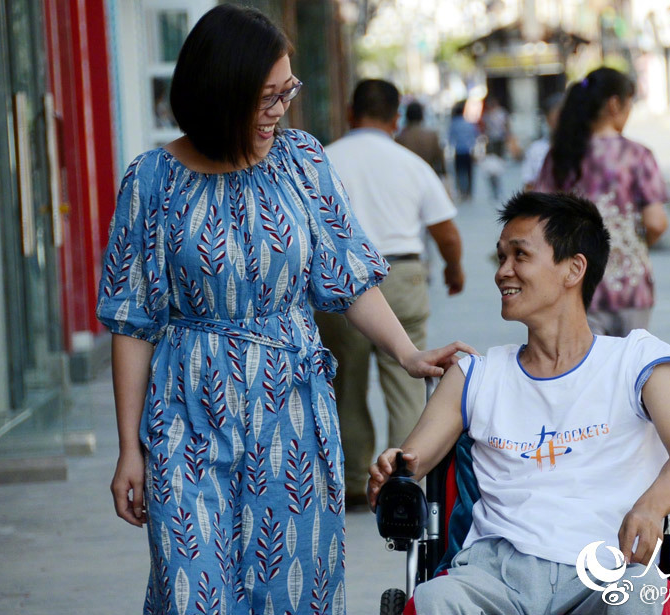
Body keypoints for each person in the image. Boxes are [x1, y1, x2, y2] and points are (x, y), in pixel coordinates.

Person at [95, 7, 472, 615]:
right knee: (195, 591)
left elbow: (346, 276)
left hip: (290, 413)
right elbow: (132, 321)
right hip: (187, 414)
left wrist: (407, 352)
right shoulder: (151, 180)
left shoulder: (302, 161)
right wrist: (128, 448)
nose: (279, 110)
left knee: (291, 589)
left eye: (286, 91)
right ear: (220, 94)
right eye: (265, 97)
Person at [367, 191, 670, 615]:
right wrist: (390, 475)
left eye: (520, 255)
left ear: (573, 269)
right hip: (494, 577)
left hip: (608, 570)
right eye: (500, 257)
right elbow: (410, 463)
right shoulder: (475, 375)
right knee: (435, 600)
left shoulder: (638, 361)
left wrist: (652, 506)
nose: (502, 272)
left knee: (642, 598)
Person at [315, 79, 465, 507]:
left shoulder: (322, 159)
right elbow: (446, 231)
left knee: (347, 385)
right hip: (401, 274)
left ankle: (354, 483)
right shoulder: (409, 162)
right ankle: (404, 480)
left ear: (350, 113)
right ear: (396, 118)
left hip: (337, 280)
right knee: (405, 381)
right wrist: (454, 270)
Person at [533, 67, 669, 338]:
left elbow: (540, 221)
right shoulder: (637, 155)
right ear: (614, 104)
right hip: (630, 284)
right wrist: (631, 243)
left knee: (588, 374)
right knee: (629, 371)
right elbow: (656, 222)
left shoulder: (559, 156)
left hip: (576, 286)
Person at [521, 92, 564, 189]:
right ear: (548, 120)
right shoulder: (536, 149)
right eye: (557, 118)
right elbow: (529, 185)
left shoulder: (584, 147)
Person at [396, 100, 447, 177]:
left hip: (408, 177)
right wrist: (444, 173)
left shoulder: (400, 137)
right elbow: (440, 158)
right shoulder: (432, 135)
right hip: (428, 176)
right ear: (422, 115)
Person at [479, 96, 511, 200]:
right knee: (493, 164)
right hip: (492, 142)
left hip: (498, 141)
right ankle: (496, 187)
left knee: (497, 165)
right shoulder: (488, 115)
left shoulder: (500, 114)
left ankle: (497, 187)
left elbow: (506, 126)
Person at [448, 100, 479, 201]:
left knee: (459, 173)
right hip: (468, 151)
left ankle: (461, 192)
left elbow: (450, 139)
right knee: (469, 173)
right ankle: (469, 192)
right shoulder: (469, 124)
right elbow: (475, 136)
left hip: (458, 151)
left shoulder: (453, 124)